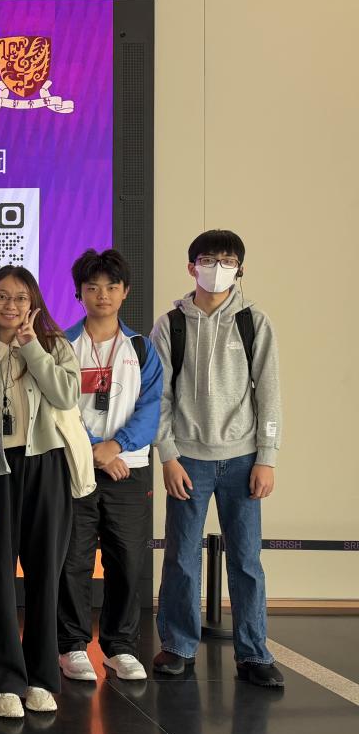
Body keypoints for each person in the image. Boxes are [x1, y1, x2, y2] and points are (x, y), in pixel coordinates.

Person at [150, 230, 284, 687]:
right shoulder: (170, 324)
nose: (217, 268)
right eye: (208, 260)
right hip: (187, 459)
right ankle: (178, 646)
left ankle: (254, 653)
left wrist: (267, 457)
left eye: (227, 261)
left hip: (243, 459)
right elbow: (158, 397)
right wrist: (167, 455)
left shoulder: (254, 322)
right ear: (192, 267)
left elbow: (269, 396)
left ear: (240, 269)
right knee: (182, 557)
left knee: (246, 561)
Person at [0, 266, 80, 718]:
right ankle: (4, 680)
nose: (11, 306)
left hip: (46, 466)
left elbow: (66, 397)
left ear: (34, 303)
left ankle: (42, 677)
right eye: (1, 297)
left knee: (46, 571)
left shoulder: (54, 346)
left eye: (21, 298)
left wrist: (32, 349)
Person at [57, 250, 162, 683]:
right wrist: (95, 450)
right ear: (79, 293)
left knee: (128, 559)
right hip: (75, 467)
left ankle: (120, 647)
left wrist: (116, 446)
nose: (102, 294)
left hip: (128, 469)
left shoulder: (141, 348)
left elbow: (152, 407)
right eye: (93, 287)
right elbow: (58, 408)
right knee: (73, 559)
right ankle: (71, 645)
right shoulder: (62, 346)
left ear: (125, 292)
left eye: (112, 287)